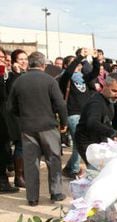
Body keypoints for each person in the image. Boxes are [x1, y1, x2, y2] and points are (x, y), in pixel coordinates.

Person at [8, 51, 68, 206]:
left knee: (30, 163)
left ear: (29, 63)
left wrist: (23, 116)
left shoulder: (19, 81)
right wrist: (63, 122)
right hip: (48, 126)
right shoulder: (50, 80)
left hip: (27, 127)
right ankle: (56, 193)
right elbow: (60, 104)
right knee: (53, 159)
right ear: (43, 65)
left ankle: (32, 197)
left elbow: (11, 107)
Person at [75, 73, 117, 167]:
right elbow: (92, 123)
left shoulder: (109, 100)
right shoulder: (96, 103)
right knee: (97, 171)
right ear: (105, 86)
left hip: (98, 140)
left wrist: (113, 136)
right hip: (87, 142)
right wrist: (113, 133)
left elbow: (106, 122)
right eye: (114, 91)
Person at [59, 48, 100, 179]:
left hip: (85, 115)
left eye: (79, 64)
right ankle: (74, 169)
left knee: (83, 142)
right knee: (79, 142)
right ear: (67, 65)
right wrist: (79, 57)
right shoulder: (65, 78)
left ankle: (69, 167)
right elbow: (69, 72)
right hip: (73, 114)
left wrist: (94, 59)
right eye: (74, 64)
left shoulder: (84, 78)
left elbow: (95, 72)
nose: (77, 66)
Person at [5, 49, 29, 188]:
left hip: (28, 115)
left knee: (27, 146)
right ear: (14, 61)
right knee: (20, 145)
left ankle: (25, 174)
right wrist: (17, 73)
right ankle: (19, 176)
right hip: (16, 116)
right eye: (20, 59)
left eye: (25, 59)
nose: (24, 61)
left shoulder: (27, 74)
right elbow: (13, 91)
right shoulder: (11, 76)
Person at [0, 47, 19, 194]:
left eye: (3, 58)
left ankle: (3, 180)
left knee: (5, 150)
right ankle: (2, 182)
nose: (2, 61)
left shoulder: (5, 74)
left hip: (5, 121)